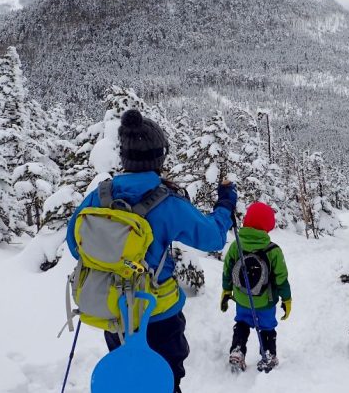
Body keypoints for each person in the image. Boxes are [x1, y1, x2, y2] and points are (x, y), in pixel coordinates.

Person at [66, 109, 237, 393]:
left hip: (114, 313)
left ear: (125, 156)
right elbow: (213, 238)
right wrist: (225, 205)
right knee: (164, 380)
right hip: (159, 313)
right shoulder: (167, 202)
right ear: (159, 157)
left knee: (127, 383)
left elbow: (76, 246)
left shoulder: (101, 195)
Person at [220, 202, 291, 372]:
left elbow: (227, 270)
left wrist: (226, 291)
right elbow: (281, 278)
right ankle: (268, 355)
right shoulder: (273, 250)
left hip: (242, 298)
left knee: (242, 324)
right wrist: (286, 298)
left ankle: (237, 351)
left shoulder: (236, 245)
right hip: (266, 302)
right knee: (267, 328)